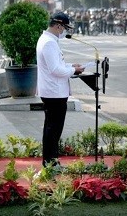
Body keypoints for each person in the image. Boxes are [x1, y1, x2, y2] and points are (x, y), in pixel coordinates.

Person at [36, 12, 85, 167]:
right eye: (64, 28)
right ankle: (50, 162)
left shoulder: (48, 39)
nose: (65, 31)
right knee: (53, 130)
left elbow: (56, 65)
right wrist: (74, 71)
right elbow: (55, 70)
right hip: (54, 92)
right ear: (58, 26)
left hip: (52, 91)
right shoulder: (49, 42)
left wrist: (71, 66)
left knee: (52, 128)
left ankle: (50, 161)